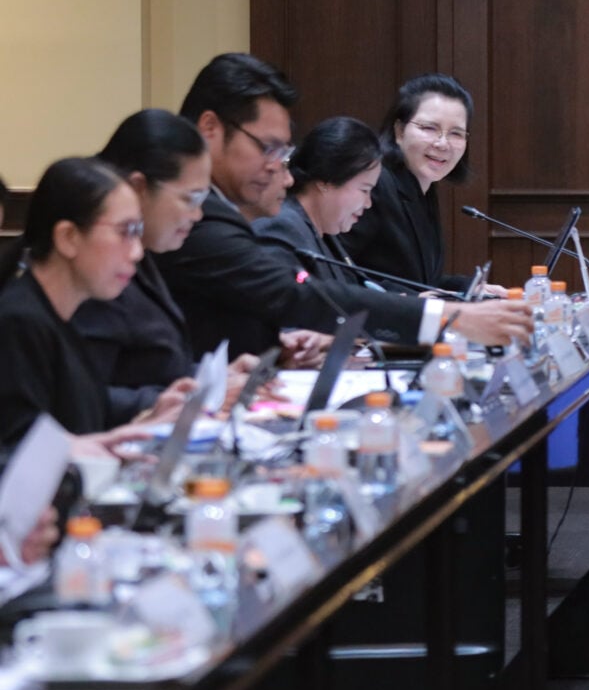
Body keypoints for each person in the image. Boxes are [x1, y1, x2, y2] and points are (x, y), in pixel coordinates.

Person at [154, 53, 531, 360]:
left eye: (283, 152)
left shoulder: (217, 210)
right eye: (268, 148)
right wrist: (450, 317)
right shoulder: (198, 217)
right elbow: (295, 294)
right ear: (210, 129)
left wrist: (277, 352)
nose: (281, 171)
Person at [74, 110, 258, 423]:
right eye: (191, 199)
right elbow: (80, 396)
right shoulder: (95, 267)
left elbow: (152, 366)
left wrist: (212, 379)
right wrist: (189, 398)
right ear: (139, 187)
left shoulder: (144, 254)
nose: (198, 215)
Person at [0, 159, 139, 445]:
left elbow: (82, 410)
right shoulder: (19, 322)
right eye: (125, 231)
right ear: (68, 237)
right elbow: (18, 448)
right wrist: (77, 449)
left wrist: (150, 417)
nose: (137, 252)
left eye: (138, 231)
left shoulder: (62, 311)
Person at [339, 74, 486, 293]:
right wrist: (410, 301)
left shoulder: (423, 188)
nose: (442, 144)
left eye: (456, 133)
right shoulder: (375, 185)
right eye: (429, 128)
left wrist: (470, 289)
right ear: (399, 131)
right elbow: (337, 271)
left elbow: (420, 281)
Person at [254, 117, 387, 291]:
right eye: (364, 190)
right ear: (327, 180)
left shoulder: (324, 233)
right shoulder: (281, 228)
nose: (368, 203)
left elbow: (356, 289)